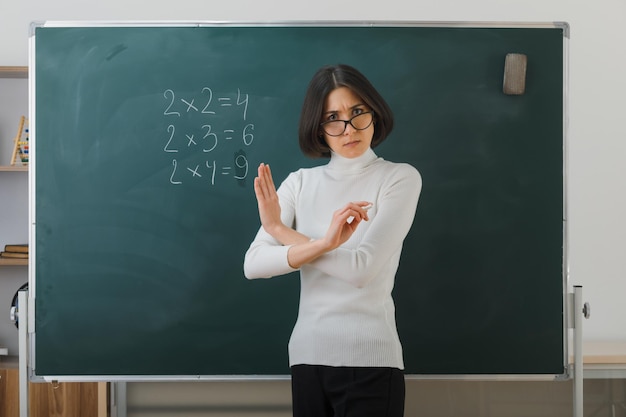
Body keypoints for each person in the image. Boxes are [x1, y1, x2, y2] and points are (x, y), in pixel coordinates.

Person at [243, 64, 422, 417]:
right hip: (308, 358)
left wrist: (283, 233)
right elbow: (254, 265)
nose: (348, 129)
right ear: (318, 127)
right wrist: (323, 242)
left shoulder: (398, 178)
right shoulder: (298, 183)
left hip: (371, 360)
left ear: (374, 111)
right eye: (333, 118)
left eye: (357, 113)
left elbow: (361, 270)